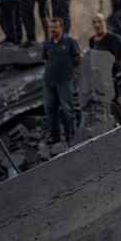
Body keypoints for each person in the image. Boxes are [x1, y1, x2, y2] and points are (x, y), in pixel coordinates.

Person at [42, 17, 81, 145]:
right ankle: (55, 138)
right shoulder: (47, 44)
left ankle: (71, 136)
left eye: (55, 27)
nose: (52, 29)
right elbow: (45, 59)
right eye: (51, 27)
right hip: (50, 83)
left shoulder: (69, 42)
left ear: (61, 28)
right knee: (50, 109)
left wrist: (69, 72)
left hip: (65, 81)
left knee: (67, 109)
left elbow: (78, 59)